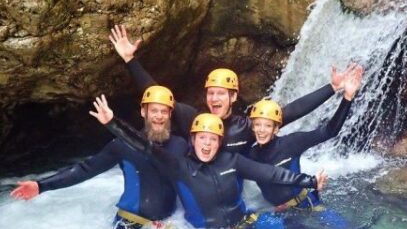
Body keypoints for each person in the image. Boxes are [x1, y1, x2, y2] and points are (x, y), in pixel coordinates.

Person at [89, 96, 328, 229]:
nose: (207, 144)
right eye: (202, 138)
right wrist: (113, 123)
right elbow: (145, 146)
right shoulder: (180, 166)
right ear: (192, 140)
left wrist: (309, 181)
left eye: (212, 139)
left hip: (240, 228)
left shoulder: (232, 160)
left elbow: (270, 173)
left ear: (219, 142)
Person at [108, 24, 358, 154]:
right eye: (211, 93)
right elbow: (157, 96)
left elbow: (290, 112)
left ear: (233, 96)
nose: (214, 98)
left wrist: (332, 88)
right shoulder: (193, 119)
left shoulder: (246, 125)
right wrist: (131, 60)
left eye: (221, 93)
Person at [10, 86, 188, 229]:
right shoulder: (122, 145)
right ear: (143, 112)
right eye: (154, 111)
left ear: (170, 114)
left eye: (164, 111)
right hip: (130, 223)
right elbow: (85, 169)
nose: (159, 116)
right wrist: (41, 186)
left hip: (167, 224)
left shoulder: (180, 145)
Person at [247, 65, 364, 229]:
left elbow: (329, 131)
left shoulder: (292, 143)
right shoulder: (250, 155)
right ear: (252, 127)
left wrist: (347, 97)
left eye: (267, 125)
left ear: (276, 128)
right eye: (258, 125)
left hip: (308, 203)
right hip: (281, 212)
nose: (262, 130)